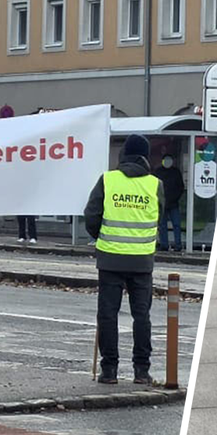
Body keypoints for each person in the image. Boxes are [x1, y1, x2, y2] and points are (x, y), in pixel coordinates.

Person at [84, 133, 163, 385]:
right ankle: (141, 370)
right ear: (145, 156)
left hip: (110, 260)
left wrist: (102, 237)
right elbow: (158, 216)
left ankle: (110, 371)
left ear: (123, 154)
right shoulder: (155, 184)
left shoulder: (107, 180)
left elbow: (91, 215)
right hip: (142, 261)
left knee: (108, 314)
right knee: (142, 316)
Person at [152, 153, 186, 252]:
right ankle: (164, 245)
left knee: (176, 224)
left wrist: (174, 198)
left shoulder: (176, 172)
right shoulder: (158, 172)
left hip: (173, 203)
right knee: (163, 226)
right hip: (164, 203)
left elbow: (180, 187)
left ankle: (178, 245)